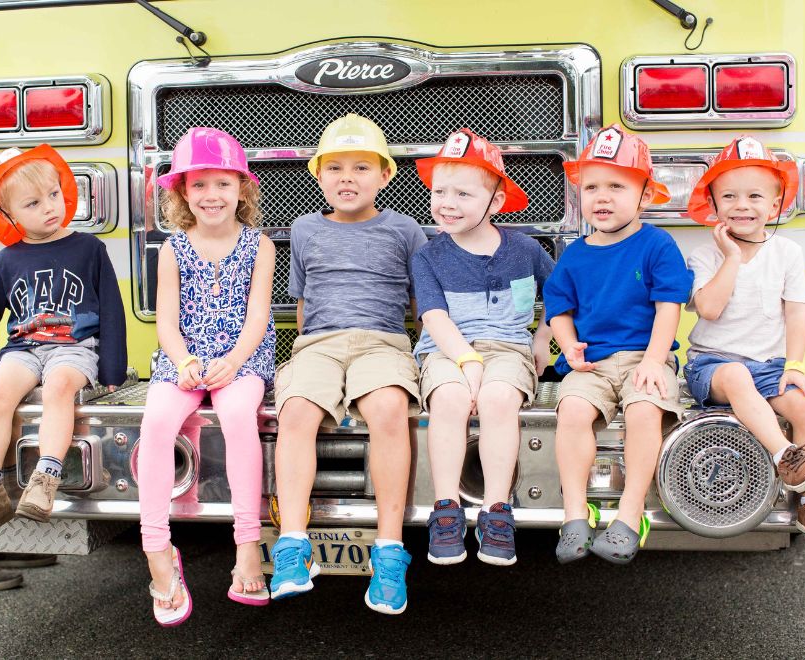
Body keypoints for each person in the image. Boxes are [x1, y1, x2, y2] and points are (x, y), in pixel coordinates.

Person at [270, 114, 427, 615]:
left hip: (383, 342)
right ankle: (293, 546)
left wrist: (421, 354)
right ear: (318, 176)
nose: (347, 177)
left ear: (385, 176)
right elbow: (303, 301)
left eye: (362, 167)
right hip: (318, 343)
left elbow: (423, 306)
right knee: (295, 411)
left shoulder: (406, 230)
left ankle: (388, 551)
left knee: (387, 410)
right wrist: (304, 351)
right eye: (334, 167)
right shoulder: (303, 229)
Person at [140, 127, 276, 626]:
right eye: (198, 185)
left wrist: (234, 363)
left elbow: (259, 314)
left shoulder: (258, 245)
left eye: (221, 183)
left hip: (241, 360)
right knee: (156, 423)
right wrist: (182, 363)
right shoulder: (173, 248)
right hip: (184, 361)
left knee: (239, 415)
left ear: (241, 188)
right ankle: (157, 550)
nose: (210, 195)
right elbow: (167, 320)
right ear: (182, 194)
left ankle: (247, 544)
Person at [0, 145, 127, 538]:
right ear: (9, 215)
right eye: (32, 203)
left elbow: (112, 309)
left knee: (58, 387)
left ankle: (45, 481)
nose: (49, 207)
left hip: (74, 346)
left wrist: (112, 368)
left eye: (54, 194)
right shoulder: (6, 260)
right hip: (23, 348)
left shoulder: (89, 248)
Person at [682, 136, 805, 545]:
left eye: (756, 196)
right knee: (736, 373)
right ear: (714, 206)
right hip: (713, 366)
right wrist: (732, 258)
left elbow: (797, 310)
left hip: (770, 366)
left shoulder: (787, 252)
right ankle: (785, 456)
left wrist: (795, 366)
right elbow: (710, 310)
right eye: (730, 196)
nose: (742, 205)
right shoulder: (703, 256)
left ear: (775, 206)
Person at [543, 124, 693, 565]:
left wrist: (652, 361)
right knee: (570, 411)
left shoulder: (658, 245)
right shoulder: (574, 253)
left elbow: (670, 307)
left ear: (645, 195)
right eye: (591, 187)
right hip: (591, 362)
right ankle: (575, 514)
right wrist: (568, 346)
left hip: (645, 358)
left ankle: (630, 516)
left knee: (645, 410)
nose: (602, 197)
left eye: (616, 185)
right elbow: (559, 310)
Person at [410, 128, 554, 566]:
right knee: (450, 399)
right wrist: (468, 361)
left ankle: (496, 510)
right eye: (439, 191)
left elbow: (565, 296)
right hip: (444, 349)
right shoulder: (428, 256)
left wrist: (545, 336)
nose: (446, 203)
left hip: (510, 349)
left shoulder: (526, 250)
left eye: (463, 194)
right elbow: (434, 317)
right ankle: (447, 509)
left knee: (497, 399)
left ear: (495, 202)